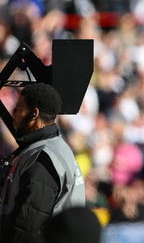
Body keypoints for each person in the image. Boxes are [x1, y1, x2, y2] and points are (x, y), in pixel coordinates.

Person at [0, 83, 85, 243]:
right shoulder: (51, 148)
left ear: (34, 113)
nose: (14, 114)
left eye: (18, 108)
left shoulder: (42, 157)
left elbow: (25, 227)